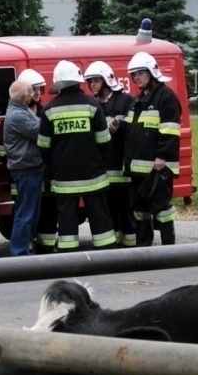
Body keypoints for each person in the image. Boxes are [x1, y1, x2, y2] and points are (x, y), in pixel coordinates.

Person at [37, 60, 116, 253]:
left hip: (64, 178)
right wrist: (99, 162)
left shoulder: (50, 108)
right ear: (78, 81)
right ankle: (107, 254)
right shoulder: (93, 104)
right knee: (100, 217)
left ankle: (68, 255)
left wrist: (53, 167)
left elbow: (43, 146)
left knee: (66, 220)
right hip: (93, 176)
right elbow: (104, 140)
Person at [123, 52, 181, 247]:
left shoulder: (167, 97)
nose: (136, 78)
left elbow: (171, 130)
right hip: (139, 169)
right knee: (140, 211)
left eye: (139, 73)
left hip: (158, 169)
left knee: (161, 210)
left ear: (152, 72)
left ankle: (168, 249)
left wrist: (162, 156)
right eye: (134, 74)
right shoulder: (138, 99)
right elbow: (133, 131)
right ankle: (143, 249)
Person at [84, 60, 136, 247]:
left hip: (121, 166)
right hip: (103, 168)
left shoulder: (125, 100)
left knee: (126, 209)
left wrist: (120, 126)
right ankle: (114, 248)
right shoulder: (93, 104)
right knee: (108, 210)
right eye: (90, 82)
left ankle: (131, 247)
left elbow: (135, 128)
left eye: (96, 81)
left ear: (107, 80)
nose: (92, 85)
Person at [3, 80, 43, 256]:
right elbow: (38, 129)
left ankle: (24, 247)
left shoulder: (21, 110)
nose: (32, 96)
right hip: (26, 169)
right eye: (30, 93)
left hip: (30, 168)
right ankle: (19, 252)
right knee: (25, 214)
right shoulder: (17, 115)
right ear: (23, 96)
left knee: (30, 212)